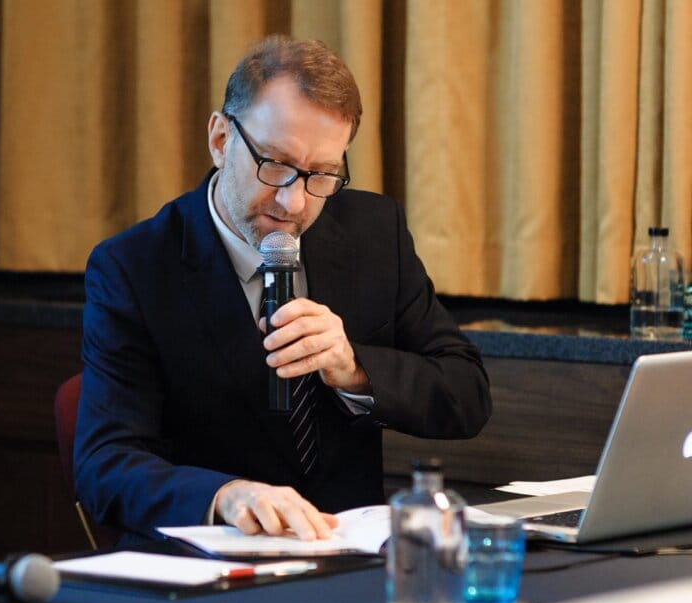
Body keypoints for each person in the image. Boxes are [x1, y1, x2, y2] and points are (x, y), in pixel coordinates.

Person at [74, 36, 492, 541]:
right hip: (209, 575)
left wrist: (355, 368)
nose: (294, 202)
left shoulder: (373, 234)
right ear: (221, 139)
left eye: (321, 175)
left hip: (349, 562)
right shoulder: (135, 267)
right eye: (273, 164)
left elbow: (465, 393)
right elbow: (105, 464)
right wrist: (225, 496)